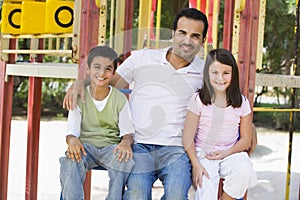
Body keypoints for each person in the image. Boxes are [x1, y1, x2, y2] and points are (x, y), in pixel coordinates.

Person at [63, 8, 257, 199]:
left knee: (176, 195)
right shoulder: (142, 58)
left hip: (177, 149)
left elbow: (227, 100)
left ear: (203, 41)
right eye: (182, 33)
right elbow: (107, 83)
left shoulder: (205, 71)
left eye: (195, 36)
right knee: (137, 194)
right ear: (173, 34)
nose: (187, 40)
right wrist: (81, 83)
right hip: (139, 145)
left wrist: (249, 127)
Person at [59, 46, 135, 200]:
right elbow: (71, 133)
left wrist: (126, 142)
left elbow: (128, 134)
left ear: (113, 73)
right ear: (88, 69)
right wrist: (72, 140)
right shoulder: (79, 96)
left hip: (111, 149)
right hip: (86, 148)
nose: (101, 73)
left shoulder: (119, 100)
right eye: (97, 67)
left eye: (108, 69)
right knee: (70, 160)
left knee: (124, 160)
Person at [182, 48, 257, 200]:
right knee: (206, 191)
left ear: (233, 74)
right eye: (214, 72)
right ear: (207, 74)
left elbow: (246, 140)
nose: (220, 78)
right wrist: (196, 164)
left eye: (226, 73)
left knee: (245, 170)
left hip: (230, 152)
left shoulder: (241, 103)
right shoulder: (198, 100)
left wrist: (226, 153)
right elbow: (187, 137)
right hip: (203, 154)